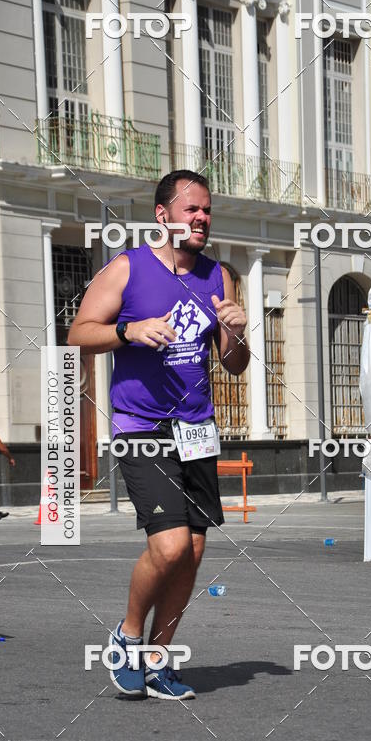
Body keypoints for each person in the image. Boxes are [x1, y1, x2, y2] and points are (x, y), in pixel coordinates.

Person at [68, 170, 249, 700]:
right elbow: (79, 333)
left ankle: (158, 660)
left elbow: (234, 365)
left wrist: (236, 332)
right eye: (191, 209)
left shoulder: (219, 276)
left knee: (192, 552)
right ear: (163, 215)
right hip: (141, 425)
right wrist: (128, 330)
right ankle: (126, 636)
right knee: (168, 548)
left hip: (197, 429)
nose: (201, 218)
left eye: (207, 211)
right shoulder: (127, 267)